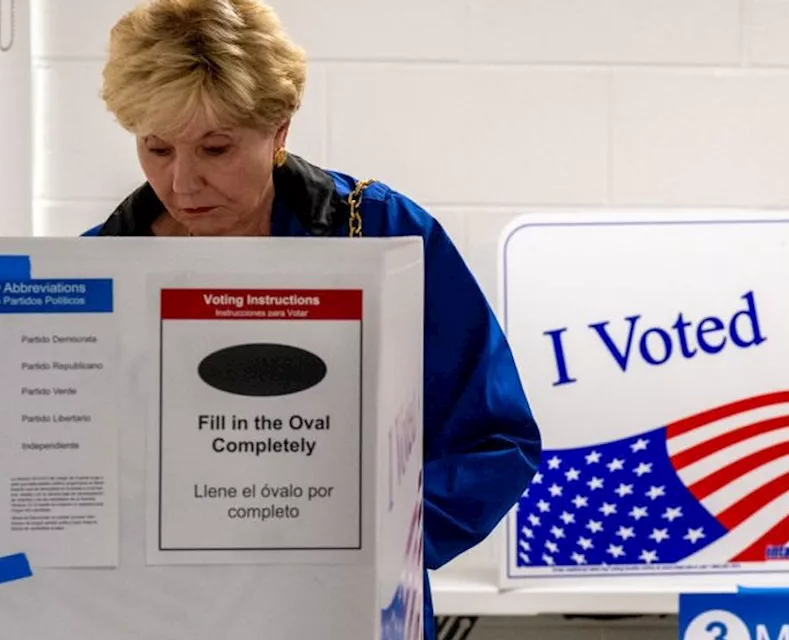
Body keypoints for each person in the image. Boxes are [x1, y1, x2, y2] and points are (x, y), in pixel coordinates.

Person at [81, 1, 542, 637]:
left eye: (216, 148)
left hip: (346, 612)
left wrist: (366, 547)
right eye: (156, 148)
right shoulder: (93, 268)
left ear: (279, 131)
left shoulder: (383, 234)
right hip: (164, 614)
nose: (182, 182)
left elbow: (493, 442)